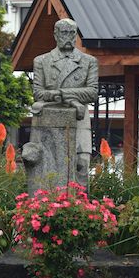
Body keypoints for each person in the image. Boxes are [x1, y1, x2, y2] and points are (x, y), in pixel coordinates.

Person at [30, 18, 99, 178]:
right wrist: (66, 96)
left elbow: (92, 93)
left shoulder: (89, 62)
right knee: (48, 168)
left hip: (79, 119)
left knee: (81, 166)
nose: (68, 37)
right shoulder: (42, 61)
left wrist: (60, 94)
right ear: (55, 35)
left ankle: (79, 203)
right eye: (64, 33)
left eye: (72, 33)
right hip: (50, 119)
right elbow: (38, 93)